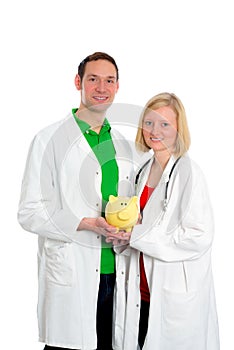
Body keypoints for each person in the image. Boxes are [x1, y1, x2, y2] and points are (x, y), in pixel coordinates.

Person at [17, 52, 134, 350]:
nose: (101, 87)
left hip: (117, 272)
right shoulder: (48, 139)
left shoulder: (123, 143)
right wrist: (85, 223)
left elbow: (129, 202)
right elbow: (30, 211)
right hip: (72, 270)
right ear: (78, 82)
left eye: (109, 80)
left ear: (118, 87)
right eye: (93, 79)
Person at [110, 92, 220, 349]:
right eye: (148, 123)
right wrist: (122, 235)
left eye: (164, 124)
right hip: (143, 289)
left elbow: (199, 236)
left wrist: (136, 236)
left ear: (179, 129)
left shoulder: (188, 172)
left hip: (172, 292)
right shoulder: (142, 171)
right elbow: (139, 226)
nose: (154, 130)